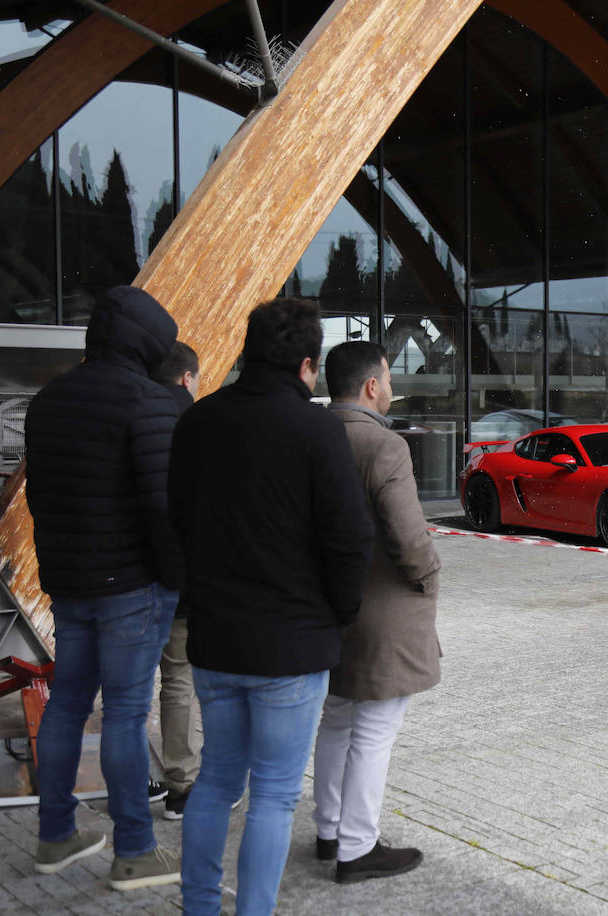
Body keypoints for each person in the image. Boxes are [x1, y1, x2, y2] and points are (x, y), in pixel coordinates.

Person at [169, 298, 374, 916]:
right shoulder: (316, 431)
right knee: (276, 796)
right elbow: (351, 537)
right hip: (292, 644)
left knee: (216, 780)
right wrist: (337, 613)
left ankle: (200, 906)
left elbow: (177, 518)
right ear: (307, 366)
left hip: (216, 639)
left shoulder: (198, 422)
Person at [24, 285, 182, 890]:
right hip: (132, 587)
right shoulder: (147, 402)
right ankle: (136, 850)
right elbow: (165, 508)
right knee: (124, 713)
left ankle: (56, 835)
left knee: (65, 706)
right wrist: (180, 580)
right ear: (145, 345)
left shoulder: (49, 400)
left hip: (70, 581)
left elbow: (40, 498)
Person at [312, 342, 441, 883]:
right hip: (384, 608)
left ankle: (328, 829)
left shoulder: (312, 436)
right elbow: (408, 538)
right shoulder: (384, 447)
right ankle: (358, 847)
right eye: (388, 378)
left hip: (326, 606)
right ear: (372, 386)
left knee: (337, 717)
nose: (390, 387)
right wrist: (429, 578)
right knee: (375, 729)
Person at [149, 341, 201, 818]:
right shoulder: (202, 422)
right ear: (188, 378)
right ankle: (184, 785)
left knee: (133, 685)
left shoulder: (131, 412)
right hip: (190, 576)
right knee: (183, 677)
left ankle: (149, 780)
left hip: (131, 574)